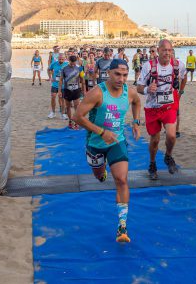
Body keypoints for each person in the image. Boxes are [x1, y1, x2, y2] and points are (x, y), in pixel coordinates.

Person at [73, 59, 142, 243]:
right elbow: (77, 117)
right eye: (117, 74)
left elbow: (137, 102)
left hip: (117, 142)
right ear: (109, 73)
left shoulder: (129, 92)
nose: (121, 79)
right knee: (99, 176)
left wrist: (135, 123)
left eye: (125, 75)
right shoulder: (97, 93)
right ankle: (101, 171)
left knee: (121, 179)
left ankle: (122, 227)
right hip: (95, 143)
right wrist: (101, 132)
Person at [137, 39, 187, 180]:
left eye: (170, 50)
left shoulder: (178, 65)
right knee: (155, 140)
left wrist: (180, 92)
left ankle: (168, 156)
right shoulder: (149, 66)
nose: (167, 53)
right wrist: (148, 89)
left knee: (171, 135)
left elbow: (184, 77)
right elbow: (139, 88)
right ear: (158, 51)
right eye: (164, 50)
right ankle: (152, 164)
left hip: (169, 106)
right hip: (152, 107)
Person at [60, 54, 85, 129]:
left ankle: (76, 122)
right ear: (69, 61)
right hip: (67, 90)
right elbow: (61, 80)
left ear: (76, 61)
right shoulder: (64, 68)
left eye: (74, 63)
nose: (73, 64)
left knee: (76, 107)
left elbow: (83, 79)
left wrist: (84, 90)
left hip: (76, 89)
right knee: (68, 106)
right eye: (71, 63)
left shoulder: (80, 68)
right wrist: (59, 91)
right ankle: (70, 121)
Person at [48, 53, 68, 119]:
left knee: (62, 99)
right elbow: (49, 69)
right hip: (55, 84)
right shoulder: (54, 63)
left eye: (62, 59)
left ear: (65, 59)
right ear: (58, 58)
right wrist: (50, 77)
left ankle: (63, 113)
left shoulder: (67, 64)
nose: (61, 60)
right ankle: (53, 112)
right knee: (53, 97)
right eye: (60, 59)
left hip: (63, 85)